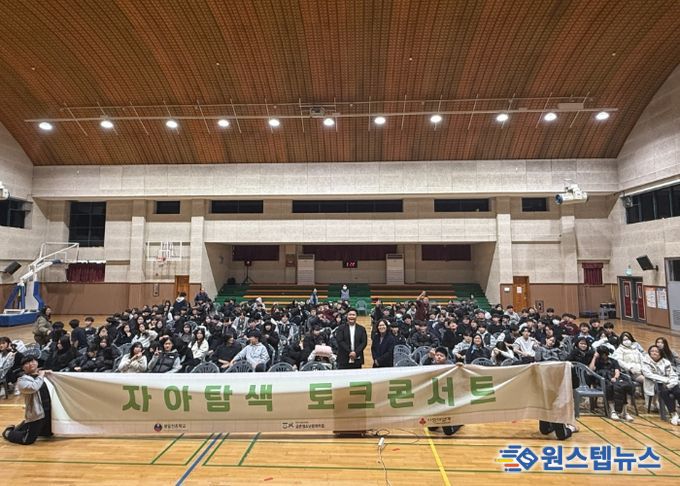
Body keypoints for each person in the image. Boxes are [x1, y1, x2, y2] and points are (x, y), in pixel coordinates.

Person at [3, 356, 52, 445]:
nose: (30, 364)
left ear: (37, 362)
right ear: (23, 367)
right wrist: (41, 375)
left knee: (47, 434)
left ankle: (23, 426)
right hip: (37, 414)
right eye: (27, 363)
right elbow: (33, 387)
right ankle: (8, 432)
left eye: (32, 361)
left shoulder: (45, 375)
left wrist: (50, 374)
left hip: (49, 411)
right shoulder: (22, 380)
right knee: (27, 440)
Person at [424, 347, 462, 436]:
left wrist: (460, 366)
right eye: (437, 355)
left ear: (445, 358)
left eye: (441, 356)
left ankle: (459, 423)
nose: (438, 357)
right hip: (436, 399)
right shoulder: (431, 365)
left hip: (447, 399)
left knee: (448, 432)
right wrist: (429, 357)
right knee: (431, 428)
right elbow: (422, 368)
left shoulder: (450, 366)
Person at [590, 346, 635, 421]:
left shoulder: (613, 361)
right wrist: (594, 357)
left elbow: (617, 371)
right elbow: (590, 370)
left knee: (623, 387)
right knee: (609, 387)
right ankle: (612, 410)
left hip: (613, 379)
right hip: (601, 381)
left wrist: (615, 378)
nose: (604, 356)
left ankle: (625, 412)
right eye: (602, 354)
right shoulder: (597, 361)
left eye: (605, 354)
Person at [642, 345, 680, 425]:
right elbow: (649, 375)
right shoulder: (645, 361)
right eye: (652, 351)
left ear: (660, 353)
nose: (654, 353)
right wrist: (665, 380)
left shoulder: (666, 362)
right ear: (649, 352)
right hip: (654, 384)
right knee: (665, 392)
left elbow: (672, 374)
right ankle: (673, 414)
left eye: (656, 351)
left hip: (669, 382)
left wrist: (671, 382)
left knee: (677, 391)